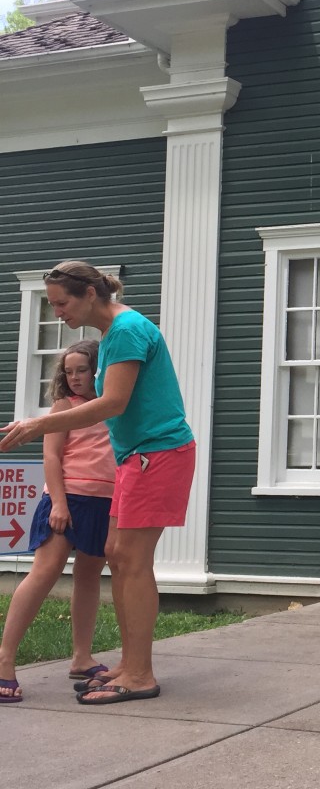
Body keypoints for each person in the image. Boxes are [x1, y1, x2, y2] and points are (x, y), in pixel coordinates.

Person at [0, 261, 195, 706]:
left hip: (158, 453)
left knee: (132, 559)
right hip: (137, 458)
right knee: (117, 555)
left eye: (61, 303)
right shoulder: (114, 336)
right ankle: (129, 664)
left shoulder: (126, 329)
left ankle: (141, 675)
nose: (57, 313)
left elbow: (113, 402)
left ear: (90, 294)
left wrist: (38, 425)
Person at [0, 340, 115, 704]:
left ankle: (82, 657)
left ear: (99, 369)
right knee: (44, 573)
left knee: (89, 576)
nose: (76, 377)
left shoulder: (115, 406)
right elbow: (51, 457)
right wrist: (60, 504)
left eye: (83, 369)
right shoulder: (64, 407)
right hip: (66, 501)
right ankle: (4, 660)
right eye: (69, 371)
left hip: (104, 502)